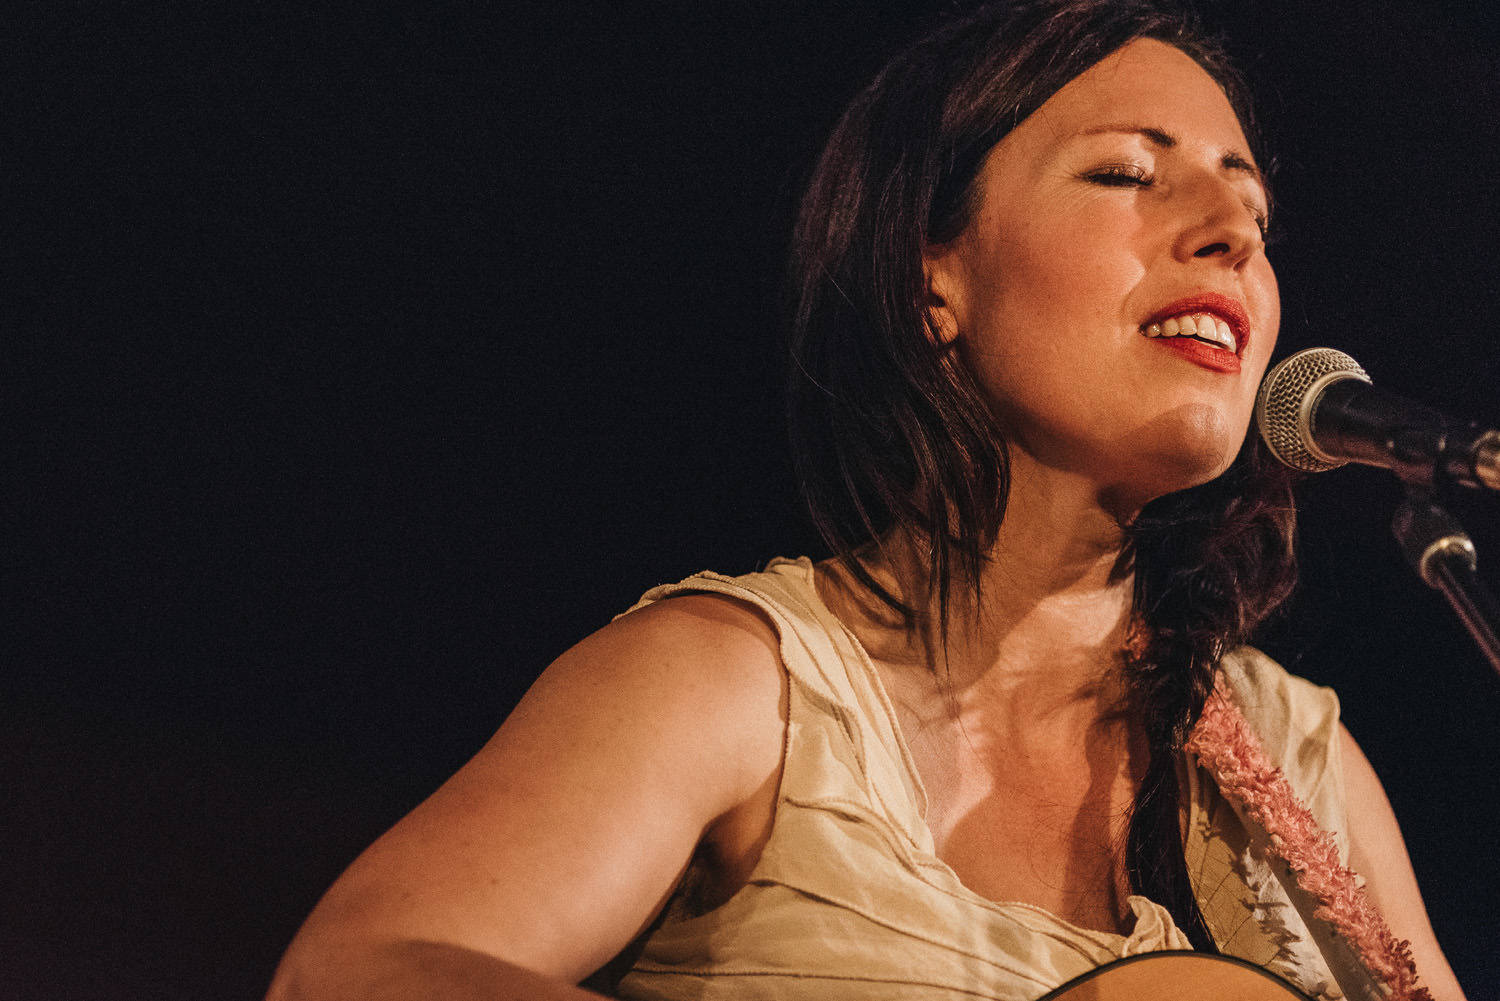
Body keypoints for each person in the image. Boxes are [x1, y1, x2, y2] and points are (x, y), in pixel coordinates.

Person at [266, 2, 1467, 999]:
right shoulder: (735, 685)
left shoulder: (1304, 765)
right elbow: (361, 968)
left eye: (1250, 214)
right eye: (1127, 174)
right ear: (928, 274)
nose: (1226, 234)